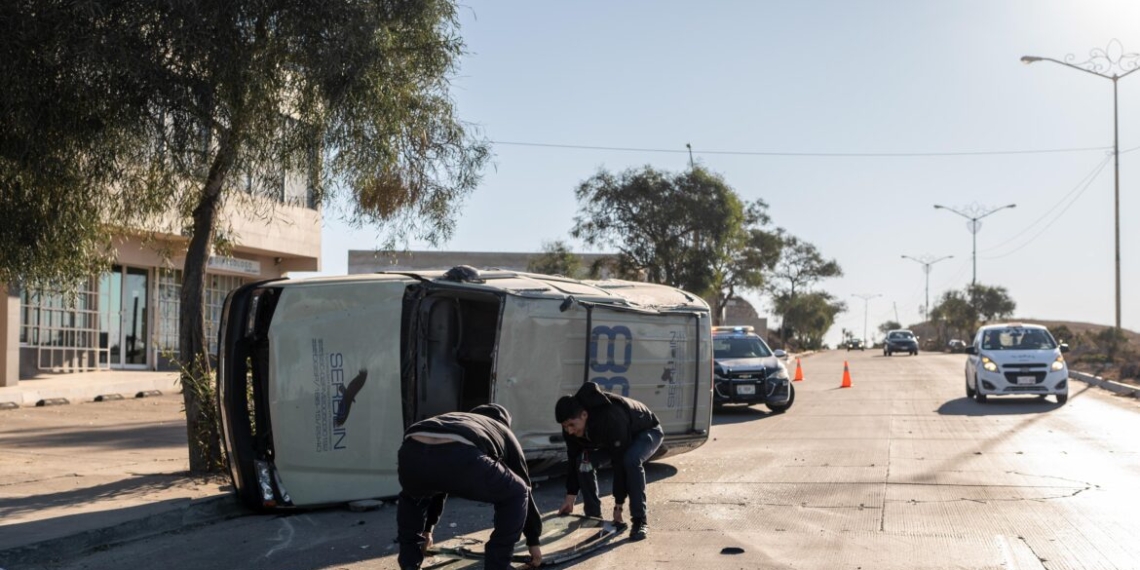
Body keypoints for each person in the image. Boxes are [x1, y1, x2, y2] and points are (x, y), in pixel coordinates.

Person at [396, 404, 543, 570]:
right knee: (517, 492)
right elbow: (525, 489)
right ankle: (498, 565)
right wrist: (533, 541)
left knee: (412, 497)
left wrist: (427, 530)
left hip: (411, 448)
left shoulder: (458, 418)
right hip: (461, 452)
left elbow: (439, 479)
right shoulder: (503, 431)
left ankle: (409, 564)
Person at [554, 381, 664, 541]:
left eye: (572, 425)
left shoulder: (610, 416)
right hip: (616, 440)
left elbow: (619, 463)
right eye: (565, 427)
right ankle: (593, 517)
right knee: (582, 461)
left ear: (584, 415)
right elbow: (572, 460)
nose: (569, 430)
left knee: (630, 460)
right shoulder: (570, 428)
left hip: (646, 432)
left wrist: (618, 506)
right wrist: (570, 497)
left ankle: (640, 521)